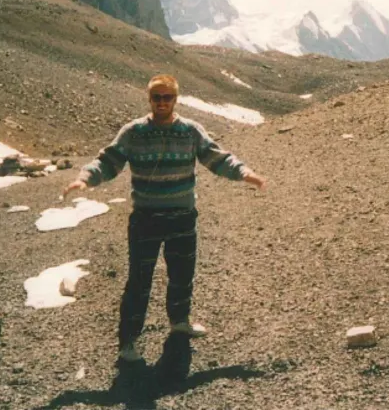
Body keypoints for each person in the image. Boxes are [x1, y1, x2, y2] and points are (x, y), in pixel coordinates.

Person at [63, 74, 267, 363]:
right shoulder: (133, 132)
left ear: (175, 98)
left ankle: (179, 323)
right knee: (139, 281)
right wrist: (84, 179)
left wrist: (245, 174)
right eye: (156, 97)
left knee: (182, 275)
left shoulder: (190, 131)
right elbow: (108, 161)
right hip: (145, 219)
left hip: (183, 218)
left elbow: (217, 157)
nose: (162, 102)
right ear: (149, 99)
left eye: (167, 97)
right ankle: (128, 342)